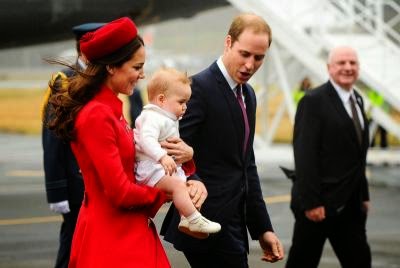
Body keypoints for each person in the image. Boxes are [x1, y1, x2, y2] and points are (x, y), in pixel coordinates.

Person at [46, 17, 196, 267]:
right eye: (137, 67)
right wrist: (166, 192)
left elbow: (138, 166)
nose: (142, 75)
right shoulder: (98, 115)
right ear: (112, 67)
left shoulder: (110, 109)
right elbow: (119, 192)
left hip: (125, 230)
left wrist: (186, 170)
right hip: (113, 238)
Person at [161, 13, 284, 267]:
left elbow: (246, 165)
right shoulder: (197, 89)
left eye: (259, 58)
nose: (250, 65)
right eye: (244, 54)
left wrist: (263, 229)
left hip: (234, 223)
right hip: (204, 222)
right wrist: (192, 180)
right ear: (228, 43)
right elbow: (170, 149)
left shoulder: (248, 94)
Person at [286, 46, 371, 267]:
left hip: (350, 204)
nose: (348, 67)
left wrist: (364, 194)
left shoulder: (358, 100)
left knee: (360, 261)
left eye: (353, 63)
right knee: (303, 261)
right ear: (329, 68)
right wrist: (313, 203)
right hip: (319, 204)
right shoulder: (313, 101)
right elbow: (305, 154)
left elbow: (357, 155)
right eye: (341, 63)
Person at [41, 22, 104, 268]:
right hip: (74, 185)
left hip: (97, 182)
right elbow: (52, 140)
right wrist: (56, 190)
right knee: (71, 249)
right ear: (83, 51)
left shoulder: (99, 79)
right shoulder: (63, 84)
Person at [135, 67, 221, 237]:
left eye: (186, 103)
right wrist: (162, 156)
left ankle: (186, 219)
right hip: (150, 167)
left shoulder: (166, 117)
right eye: (181, 102)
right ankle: (193, 218)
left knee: (185, 186)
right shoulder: (152, 117)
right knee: (178, 186)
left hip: (161, 167)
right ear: (161, 99)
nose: (185, 107)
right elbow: (146, 140)